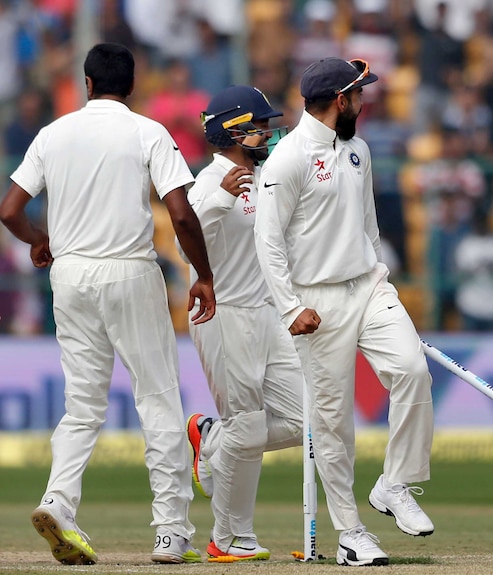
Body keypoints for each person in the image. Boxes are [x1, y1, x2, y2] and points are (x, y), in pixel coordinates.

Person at [0, 42, 215, 565]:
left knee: (82, 406)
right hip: (129, 272)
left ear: (87, 84)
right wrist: (204, 275)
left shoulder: (53, 134)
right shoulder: (147, 131)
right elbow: (182, 216)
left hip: (70, 277)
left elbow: (8, 210)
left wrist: (37, 239)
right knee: (159, 400)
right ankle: (169, 533)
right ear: (133, 86)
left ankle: (58, 501)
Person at [254, 57, 435, 567]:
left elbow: (368, 226)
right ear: (340, 100)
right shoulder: (287, 158)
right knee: (333, 424)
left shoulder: (358, 150)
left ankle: (395, 484)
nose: (365, 101)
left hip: (368, 285)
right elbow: (266, 241)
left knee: (412, 372)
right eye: (359, 94)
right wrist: (291, 307)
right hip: (316, 302)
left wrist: (375, 274)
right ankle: (351, 534)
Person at [182, 84, 304, 562]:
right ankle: (228, 539)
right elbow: (186, 248)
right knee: (249, 427)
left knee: (304, 420)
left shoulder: (265, 176)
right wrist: (218, 203)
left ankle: (211, 437)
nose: (268, 135)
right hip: (223, 314)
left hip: (267, 315)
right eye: (260, 127)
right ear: (234, 132)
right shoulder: (208, 184)